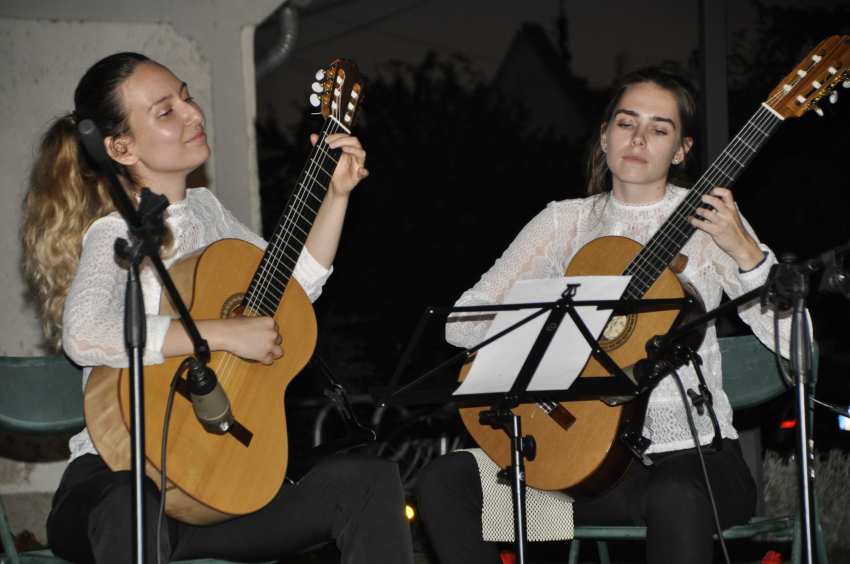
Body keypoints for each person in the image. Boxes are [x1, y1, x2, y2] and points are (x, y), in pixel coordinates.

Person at [22, 52, 414, 564]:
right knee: (132, 504)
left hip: (217, 493)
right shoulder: (116, 232)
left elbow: (289, 294)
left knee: (369, 481)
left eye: (186, 96)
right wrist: (221, 335)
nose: (193, 114)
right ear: (120, 147)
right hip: (115, 486)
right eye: (166, 111)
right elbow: (85, 333)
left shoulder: (208, 211)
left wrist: (336, 196)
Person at [415, 67, 795, 564]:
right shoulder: (562, 222)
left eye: (659, 128)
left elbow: (794, 344)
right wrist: (552, 321)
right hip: (579, 468)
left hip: (695, 462)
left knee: (673, 497)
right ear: (603, 134)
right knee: (444, 482)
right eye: (625, 122)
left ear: (681, 149)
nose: (638, 138)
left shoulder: (710, 222)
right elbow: (461, 323)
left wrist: (747, 255)